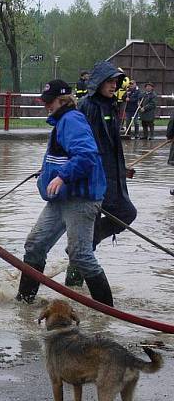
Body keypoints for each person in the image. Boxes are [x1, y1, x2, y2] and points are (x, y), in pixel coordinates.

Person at [16, 80, 112, 306]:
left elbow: (87, 155)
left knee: (80, 255)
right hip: (62, 198)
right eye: (45, 101)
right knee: (35, 245)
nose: (46, 106)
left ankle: (107, 312)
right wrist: (48, 174)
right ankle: (24, 303)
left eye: (49, 102)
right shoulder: (63, 121)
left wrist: (61, 176)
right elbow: (64, 156)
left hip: (80, 200)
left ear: (63, 100)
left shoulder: (71, 120)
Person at [66, 61, 137, 287]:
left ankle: (88, 244)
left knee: (127, 213)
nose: (113, 85)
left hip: (110, 178)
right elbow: (80, 143)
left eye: (115, 81)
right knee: (88, 232)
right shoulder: (87, 106)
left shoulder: (110, 106)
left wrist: (121, 170)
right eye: (109, 81)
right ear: (98, 83)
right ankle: (74, 285)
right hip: (92, 180)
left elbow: (110, 145)